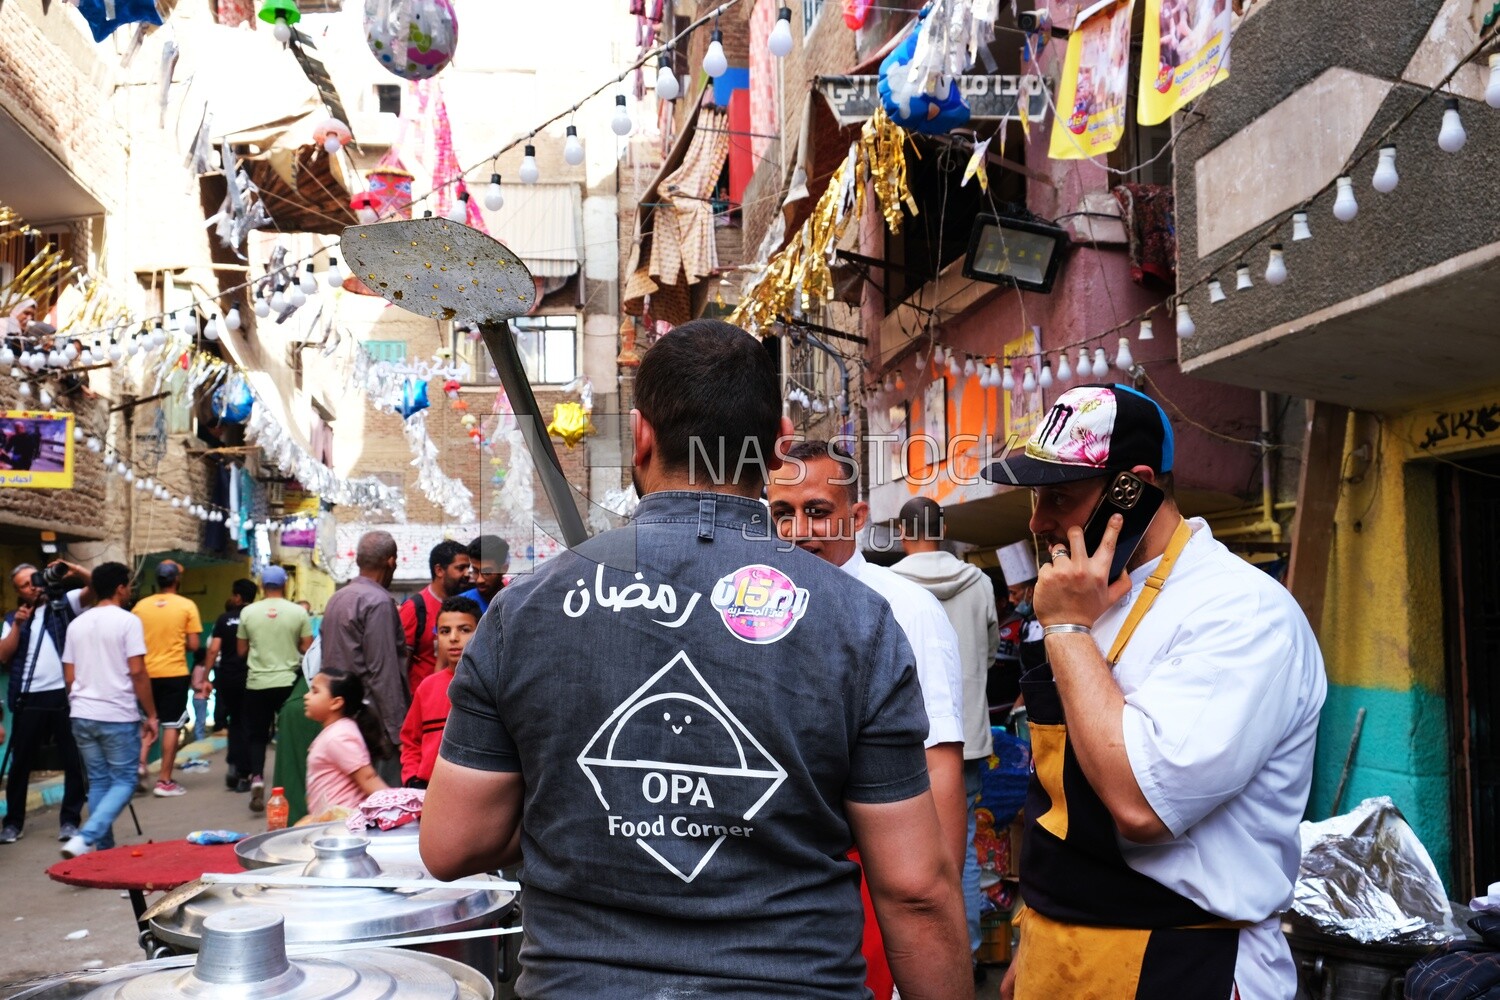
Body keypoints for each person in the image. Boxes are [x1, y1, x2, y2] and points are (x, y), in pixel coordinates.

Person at [421, 319, 970, 999]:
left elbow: (450, 844)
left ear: (642, 434)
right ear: (777, 449)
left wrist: (588, 807)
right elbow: (916, 888)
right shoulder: (857, 622)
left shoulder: (521, 612)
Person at [984, 384, 1327, 1000]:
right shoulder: (1089, 591)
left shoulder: (1239, 610)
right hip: (1064, 952)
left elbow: (1143, 807)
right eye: (1036, 496)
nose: (1036, 521)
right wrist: (1041, 938)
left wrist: (1064, 629)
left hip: (1186, 959)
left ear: (1132, 487)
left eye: (1058, 496)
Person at [768, 441, 968, 1000]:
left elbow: (939, 770)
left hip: (873, 879)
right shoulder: (758, 604)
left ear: (855, 518)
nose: (798, 530)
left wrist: (936, 929)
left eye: (816, 511)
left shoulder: (906, 610)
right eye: (783, 514)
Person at [890, 496, 1000, 978]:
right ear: (945, 527)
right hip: (969, 738)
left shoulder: (890, 586)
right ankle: (966, 954)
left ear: (900, 530)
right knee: (965, 849)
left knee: (904, 852)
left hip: (907, 745)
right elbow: (991, 654)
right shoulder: (978, 583)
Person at [60, 562, 155, 858]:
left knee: (99, 781)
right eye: (128, 585)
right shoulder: (128, 621)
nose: (129, 591)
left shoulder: (76, 623)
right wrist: (151, 714)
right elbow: (138, 672)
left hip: (81, 713)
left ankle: (103, 851)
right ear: (119, 588)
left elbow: (69, 677)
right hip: (116, 714)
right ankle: (87, 836)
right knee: (125, 781)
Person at [0, 561, 91, 844]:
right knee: (20, 763)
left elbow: (99, 587)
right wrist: (17, 625)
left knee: (73, 760)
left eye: (34, 580)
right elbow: (4, 655)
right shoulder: (14, 617)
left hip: (64, 694)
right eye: (24, 585)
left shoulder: (63, 603)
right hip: (29, 696)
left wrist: (74, 570)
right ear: (19, 591)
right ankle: (13, 823)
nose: (32, 587)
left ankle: (70, 820)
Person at [321, 531, 408, 787]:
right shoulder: (378, 602)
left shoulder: (337, 598)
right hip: (373, 725)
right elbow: (383, 672)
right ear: (391, 561)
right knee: (383, 804)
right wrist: (398, 732)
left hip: (340, 719)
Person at [236, 566, 312, 812]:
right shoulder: (298, 612)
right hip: (287, 682)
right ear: (285, 585)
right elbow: (306, 648)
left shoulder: (248, 612)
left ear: (261, 585)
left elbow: (241, 651)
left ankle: (257, 779)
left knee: (257, 735)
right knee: (287, 736)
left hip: (257, 683)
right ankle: (287, 785)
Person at [133, 560, 201, 797]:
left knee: (147, 721)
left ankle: (140, 765)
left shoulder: (140, 606)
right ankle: (164, 781)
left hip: (145, 674)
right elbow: (193, 644)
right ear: (176, 581)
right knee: (171, 725)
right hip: (174, 672)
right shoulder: (187, 606)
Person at [400, 596, 480, 788]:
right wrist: (412, 778)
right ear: (437, 637)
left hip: (476, 790)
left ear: (481, 632)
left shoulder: (491, 685)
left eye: (464, 630)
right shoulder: (427, 687)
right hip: (427, 789)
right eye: (445, 631)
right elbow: (410, 740)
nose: (453, 638)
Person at [302, 669, 389, 815]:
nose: (306, 696)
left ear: (336, 703)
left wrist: (398, 809)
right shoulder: (336, 732)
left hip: (344, 824)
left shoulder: (338, 736)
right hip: (331, 822)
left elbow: (368, 779)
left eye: (315, 692)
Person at [203, 580, 257, 791]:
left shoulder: (224, 619)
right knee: (249, 723)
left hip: (227, 677)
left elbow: (212, 650)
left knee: (234, 722)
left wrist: (205, 677)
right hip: (251, 677)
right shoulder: (255, 617)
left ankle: (234, 766)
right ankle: (246, 773)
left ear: (237, 597)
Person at [400, 539, 471, 692]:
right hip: (424, 701)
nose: (467, 574)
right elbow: (400, 666)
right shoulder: (415, 608)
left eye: (468, 568)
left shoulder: (468, 605)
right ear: (439, 571)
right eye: (460, 568)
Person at [992, 541, 1043, 713]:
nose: (1012, 600)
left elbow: (1038, 673)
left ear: (1030, 591)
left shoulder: (1042, 624)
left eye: (1014, 593)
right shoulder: (1027, 624)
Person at [457, 535, 508, 613]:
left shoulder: (518, 602)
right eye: (475, 571)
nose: (480, 580)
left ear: (503, 569)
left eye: (487, 572)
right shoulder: (460, 604)